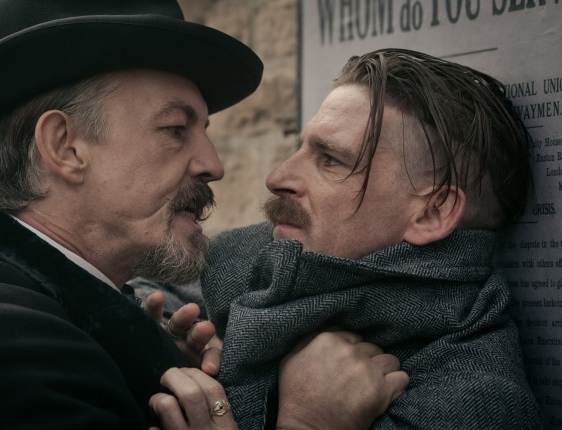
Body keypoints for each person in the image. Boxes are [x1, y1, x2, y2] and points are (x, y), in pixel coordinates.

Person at [0, 1, 408, 429]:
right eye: (175, 129)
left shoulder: (39, 314)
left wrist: (145, 362)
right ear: (65, 147)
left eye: (204, 130)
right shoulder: (0, 350)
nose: (213, 165)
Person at [201, 49, 544, 429]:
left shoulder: (477, 408)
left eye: (331, 160)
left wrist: (307, 423)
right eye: (299, 148)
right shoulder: (235, 269)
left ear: (432, 213)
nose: (277, 178)